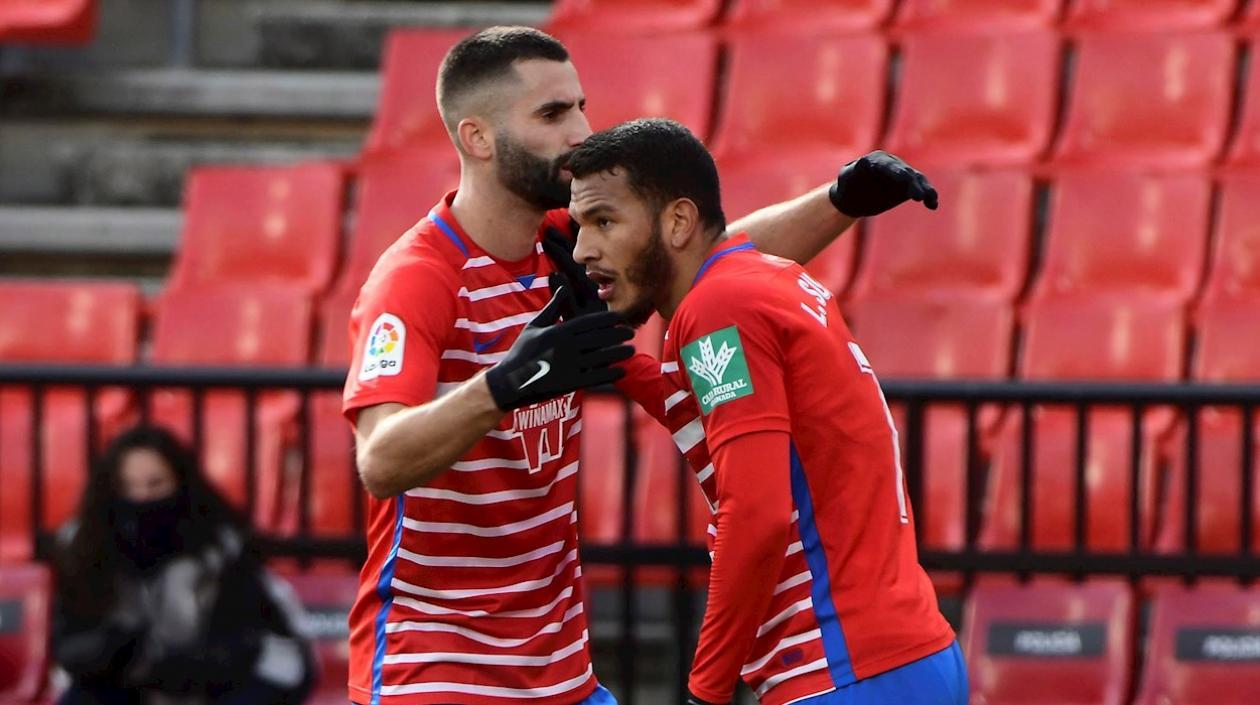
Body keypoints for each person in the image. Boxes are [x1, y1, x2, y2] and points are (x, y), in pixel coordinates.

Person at [342, 25, 938, 705]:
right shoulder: (418, 279)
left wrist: (840, 201)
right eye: (552, 114)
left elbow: (701, 253)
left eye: (579, 105)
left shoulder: (563, 248)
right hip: (441, 668)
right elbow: (380, 460)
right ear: (477, 139)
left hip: (562, 672)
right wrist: (505, 383)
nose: (580, 130)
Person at [560, 117, 965, 705]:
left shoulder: (718, 307)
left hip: (842, 669)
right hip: (906, 656)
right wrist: (614, 361)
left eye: (603, 221)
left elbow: (757, 513)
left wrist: (707, 689)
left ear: (677, 221)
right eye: (577, 227)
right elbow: (717, 424)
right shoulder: (767, 281)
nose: (582, 250)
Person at [52, 426, 315, 705]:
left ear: (180, 483)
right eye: (127, 486)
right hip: (128, 683)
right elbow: (70, 647)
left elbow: (245, 648)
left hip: (229, 681)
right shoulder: (83, 546)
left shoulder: (225, 544)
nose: (141, 498)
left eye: (155, 484)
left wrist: (173, 666)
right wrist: (115, 650)